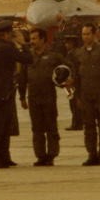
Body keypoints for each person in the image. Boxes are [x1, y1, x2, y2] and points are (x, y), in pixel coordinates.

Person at [0, 20, 32, 168]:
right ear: (7, 34)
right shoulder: (6, 48)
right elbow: (28, 59)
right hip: (4, 92)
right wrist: (23, 44)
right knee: (0, 127)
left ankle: (2, 157)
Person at [19, 28, 69, 166]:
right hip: (33, 97)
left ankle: (51, 155)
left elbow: (67, 69)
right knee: (37, 128)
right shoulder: (28, 57)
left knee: (51, 126)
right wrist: (22, 97)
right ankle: (40, 155)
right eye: (31, 39)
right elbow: (22, 77)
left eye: (35, 39)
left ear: (42, 39)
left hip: (48, 97)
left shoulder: (53, 56)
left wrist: (64, 81)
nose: (32, 42)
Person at [74, 22, 100, 166]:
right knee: (88, 126)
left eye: (88, 34)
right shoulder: (78, 53)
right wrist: (77, 96)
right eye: (83, 34)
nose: (85, 37)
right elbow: (77, 76)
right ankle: (91, 154)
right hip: (85, 95)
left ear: (95, 34)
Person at [62, 35, 83, 131]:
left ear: (72, 43)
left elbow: (73, 68)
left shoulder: (72, 54)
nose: (66, 45)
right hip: (73, 81)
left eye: (68, 43)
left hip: (72, 82)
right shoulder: (75, 52)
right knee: (74, 102)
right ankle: (77, 122)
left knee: (73, 103)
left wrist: (72, 79)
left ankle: (76, 124)